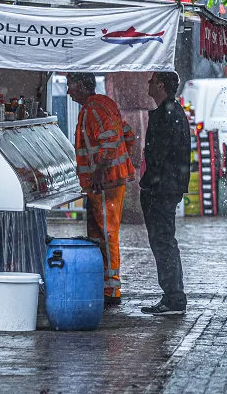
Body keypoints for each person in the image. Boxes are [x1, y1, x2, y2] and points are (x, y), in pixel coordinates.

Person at [66, 72, 136, 308]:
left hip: (105, 184)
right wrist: (124, 162)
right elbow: (127, 135)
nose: (68, 91)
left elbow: (109, 140)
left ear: (83, 86)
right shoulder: (104, 104)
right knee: (99, 234)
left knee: (106, 234)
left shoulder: (92, 110)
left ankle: (112, 288)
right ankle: (103, 283)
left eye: (71, 85)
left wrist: (99, 172)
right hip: (106, 183)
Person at [139, 70, 192, 316]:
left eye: (151, 81)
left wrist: (150, 184)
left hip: (162, 189)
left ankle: (173, 297)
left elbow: (158, 154)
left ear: (161, 85)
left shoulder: (166, 115)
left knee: (163, 241)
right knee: (164, 241)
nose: (148, 84)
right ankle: (173, 295)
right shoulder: (174, 112)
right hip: (167, 187)